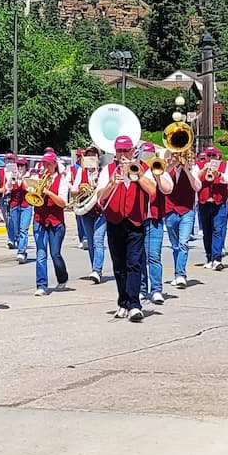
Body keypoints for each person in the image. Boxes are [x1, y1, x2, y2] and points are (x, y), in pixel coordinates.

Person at [98, 135, 156, 322]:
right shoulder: (108, 170)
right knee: (119, 265)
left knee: (134, 263)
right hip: (115, 221)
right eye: (120, 151)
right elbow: (100, 197)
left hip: (135, 221)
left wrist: (137, 174)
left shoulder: (143, 169)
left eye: (126, 151)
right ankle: (122, 301)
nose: (123, 155)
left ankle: (134, 304)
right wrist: (112, 183)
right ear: (115, 152)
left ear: (133, 151)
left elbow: (152, 190)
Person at [31, 150, 70, 294]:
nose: (46, 167)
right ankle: (41, 285)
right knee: (41, 253)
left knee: (55, 253)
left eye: (49, 164)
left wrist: (48, 192)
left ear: (54, 164)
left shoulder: (62, 180)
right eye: (44, 164)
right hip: (39, 219)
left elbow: (63, 203)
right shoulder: (38, 178)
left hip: (56, 222)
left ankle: (62, 277)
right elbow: (31, 196)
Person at [68, 146, 106, 283]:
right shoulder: (81, 172)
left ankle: (97, 270)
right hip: (86, 210)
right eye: (88, 156)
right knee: (90, 242)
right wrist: (79, 189)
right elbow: (72, 191)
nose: (90, 158)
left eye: (93, 156)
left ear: (97, 158)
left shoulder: (103, 172)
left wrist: (96, 188)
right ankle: (94, 268)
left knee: (98, 240)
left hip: (101, 211)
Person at [141, 147, 173, 306]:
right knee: (139, 257)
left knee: (154, 255)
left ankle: (156, 289)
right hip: (138, 219)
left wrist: (158, 177)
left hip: (154, 219)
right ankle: (141, 289)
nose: (147, 157)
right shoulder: (137, 169)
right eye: (145, 154)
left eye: (150, 154)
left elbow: (167, 189)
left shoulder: (160, 169)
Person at [163, 152, 198, 289]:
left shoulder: (192, 169)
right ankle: (177, 273)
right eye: (173, 155)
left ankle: (180, 274)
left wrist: (186, 169)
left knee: (183, 243)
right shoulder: (166, 169)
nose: (175, 158)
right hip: (170, 211)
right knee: (175, 245)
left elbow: (196, 186)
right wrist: (170, 167)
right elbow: (161, 185)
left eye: (178, 155)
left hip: (186, 211)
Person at [196, 148, 228, 270]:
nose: (211, 157)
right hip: (204, 202)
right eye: (208, 155)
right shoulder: (198, 165)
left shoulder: (225, 165)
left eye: (213, 155)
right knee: (207, 231)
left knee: (218, 229)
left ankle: (217, 258)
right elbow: (194, 179)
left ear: (218, 156)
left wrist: (219, 175)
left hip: (219, 202)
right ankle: (209, 256)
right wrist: (203, 170)